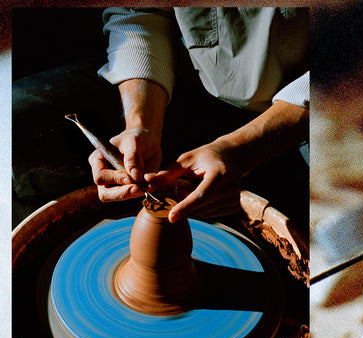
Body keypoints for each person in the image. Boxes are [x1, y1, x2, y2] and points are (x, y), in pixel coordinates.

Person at [89, 7, 309, 225]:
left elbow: (340, 67)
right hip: (186, 83)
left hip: (309, 112)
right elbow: (138, 13)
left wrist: (242, 150)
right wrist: (141, 124)